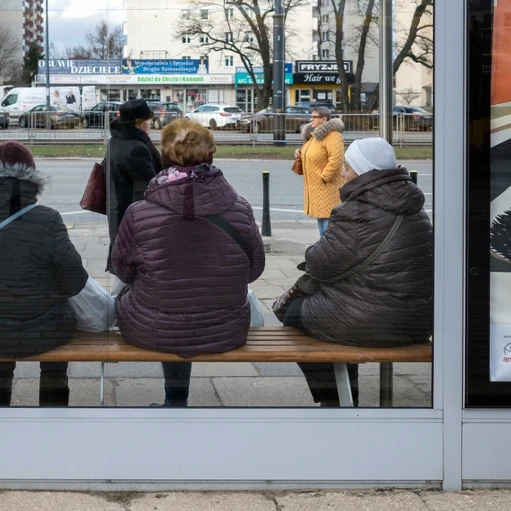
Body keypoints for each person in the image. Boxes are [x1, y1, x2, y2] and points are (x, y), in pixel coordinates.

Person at [111, 119, 266, 407]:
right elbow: (254, 269)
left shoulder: (138, 212)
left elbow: (123, 270)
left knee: (157, 302)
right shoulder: (240, 208)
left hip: (153, 327)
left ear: (164, 157)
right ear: (210, 156)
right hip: (225, 327)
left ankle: (175, 400)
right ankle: (176, 399)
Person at [282, 138, 433, 406]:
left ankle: (336, 399)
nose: (343, 173)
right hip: (417, 323)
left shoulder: (357, 211)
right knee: (340, 309)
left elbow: (320, 263)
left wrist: (313, 250)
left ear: (363, 172)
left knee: (293, 313)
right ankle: (344, 393)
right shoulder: (414, 206)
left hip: (375, 323)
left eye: (348, 167)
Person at [0, 142, 89, 406]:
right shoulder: (47, 219)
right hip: (43, 332)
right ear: (31, 177)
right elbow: (74, 281)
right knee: (54, 346)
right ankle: (53, 409)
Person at [106, 98, 162, 271]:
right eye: (148, 120)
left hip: (119, 211)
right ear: (139, 123)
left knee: (123, 265)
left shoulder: (115, 140)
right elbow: (151, 187)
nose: (150, 123)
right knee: (133, 268)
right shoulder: (137, 149)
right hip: (135, 218)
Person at [294, 107, 345, 236]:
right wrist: (300, 152)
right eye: (311, 116)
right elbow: (313, 152)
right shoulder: (315, 135)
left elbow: (336, 160)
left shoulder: (333, 136)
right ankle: (324, 246)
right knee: (322, 218)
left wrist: (324, 177)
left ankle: (328, 247)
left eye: (315, 117)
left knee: (328, 222)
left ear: (324, 119)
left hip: (327, 186)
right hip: (317, 187)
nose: (311, 119)